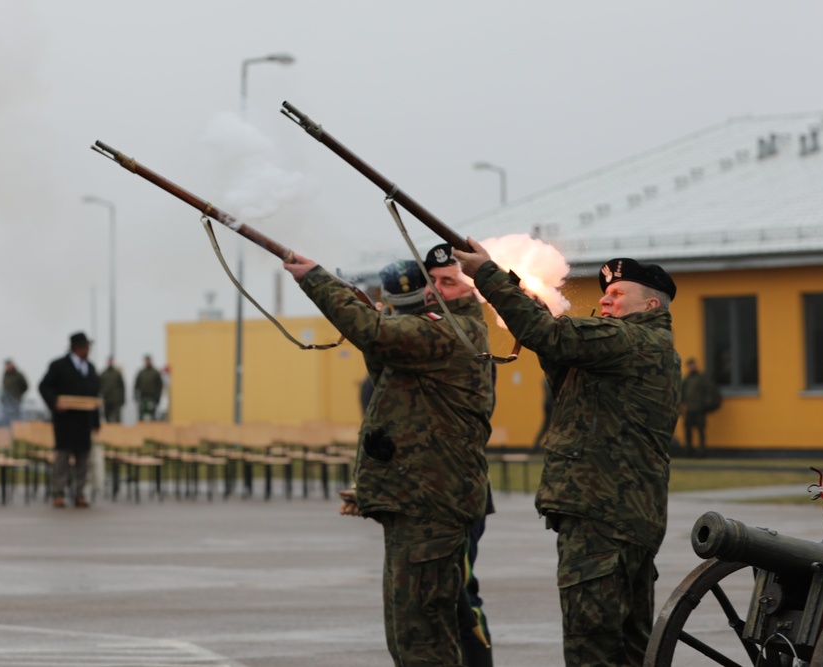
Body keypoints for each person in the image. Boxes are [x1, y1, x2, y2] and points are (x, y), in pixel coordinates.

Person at [456, 244, 682, 667]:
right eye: (605, 293)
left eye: (618, 294)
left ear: (650, 304)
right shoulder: (630, 345)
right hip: (618, 516)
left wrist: (487, 274)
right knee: (627, 649)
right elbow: (557, 348)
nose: (605, 299)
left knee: (591, 649)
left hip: (603, 517)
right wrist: (527, 299)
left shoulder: (635, 339)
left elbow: (553, 337)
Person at [284, 244, 494, 666]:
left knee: (430, 632)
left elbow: (377, 334)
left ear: (472, 291)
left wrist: (317, 279)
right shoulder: (430, 334)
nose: (433, 290)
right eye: (430, 281)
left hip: (435, 503)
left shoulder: (459, 332)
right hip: (413, 497)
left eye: (447, 282)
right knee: (408, 631)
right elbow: (392, 379)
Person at [38, 332, 101, 508]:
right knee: (62, 458)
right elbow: (44, 387)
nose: (87, 350)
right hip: (65, 420)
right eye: (85, 347)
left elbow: (94, 397)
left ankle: (79, 493)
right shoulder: (59, 366)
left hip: (84, 421)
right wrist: (54, 402)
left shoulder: (90, 368)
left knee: (83, 459)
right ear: (76, 348)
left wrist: (96, 423)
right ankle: (58, 493)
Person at [680, 357, 720, 458]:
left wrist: (707, 404)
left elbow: (709, 390)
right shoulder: (687, 379)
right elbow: (682, 393)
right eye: (689, 365)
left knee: (701, 430)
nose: (691, 367)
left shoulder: (701, 378)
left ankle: (702, 451)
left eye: (692, 365)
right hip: (689, 409)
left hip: (699, 409)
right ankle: (688, 450)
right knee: (688, 430)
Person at [134, 354, 163, 421]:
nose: (147, 362)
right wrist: (136, 396)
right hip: (143, 397)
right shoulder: (141, 373)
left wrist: (157, 397)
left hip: (152, 397)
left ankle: (152, 430)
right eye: (146, 360)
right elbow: (136, 386)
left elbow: (159, 386)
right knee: (141, 416)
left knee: (152, 415)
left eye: (148, 360)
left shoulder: (155, 373)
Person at [1, 359, 29, 425]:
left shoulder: (18, 375)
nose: (8, 366)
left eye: (9, 364)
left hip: (16, 400)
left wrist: (18, 394)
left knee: (16, 417)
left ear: (12, 365)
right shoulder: (5, 375)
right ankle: (7, 430)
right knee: (7, 417)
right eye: (7, 365)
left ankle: (17, 431)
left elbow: (25, 386)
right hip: (6, 400)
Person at [99, 357, 126, 423]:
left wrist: (122, 399)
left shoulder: (117, 374)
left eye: (111, 361)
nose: (110, 362)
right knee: (107, 417)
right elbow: (99, 386)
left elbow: (122, 387)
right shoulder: (103, 374)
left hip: (116, 399)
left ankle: (118, 431)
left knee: (117, 418)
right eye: (109, 361)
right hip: (106, 398)